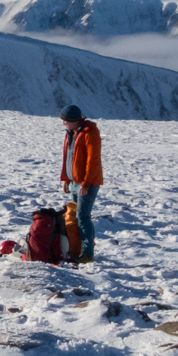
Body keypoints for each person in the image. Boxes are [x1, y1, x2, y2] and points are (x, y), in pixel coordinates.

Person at [59, 104, 102, 261]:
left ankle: (88, 254)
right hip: (75, 182)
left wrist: (86, 183)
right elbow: (68, 158)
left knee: (83, 217)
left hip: (86, 183)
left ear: (74, 120)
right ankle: (78, 249)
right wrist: (66, 178)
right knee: (77, 218)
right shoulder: (71, 133)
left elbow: (93, 161)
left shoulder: (90, 133)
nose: (63, 123)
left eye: (65, 120)